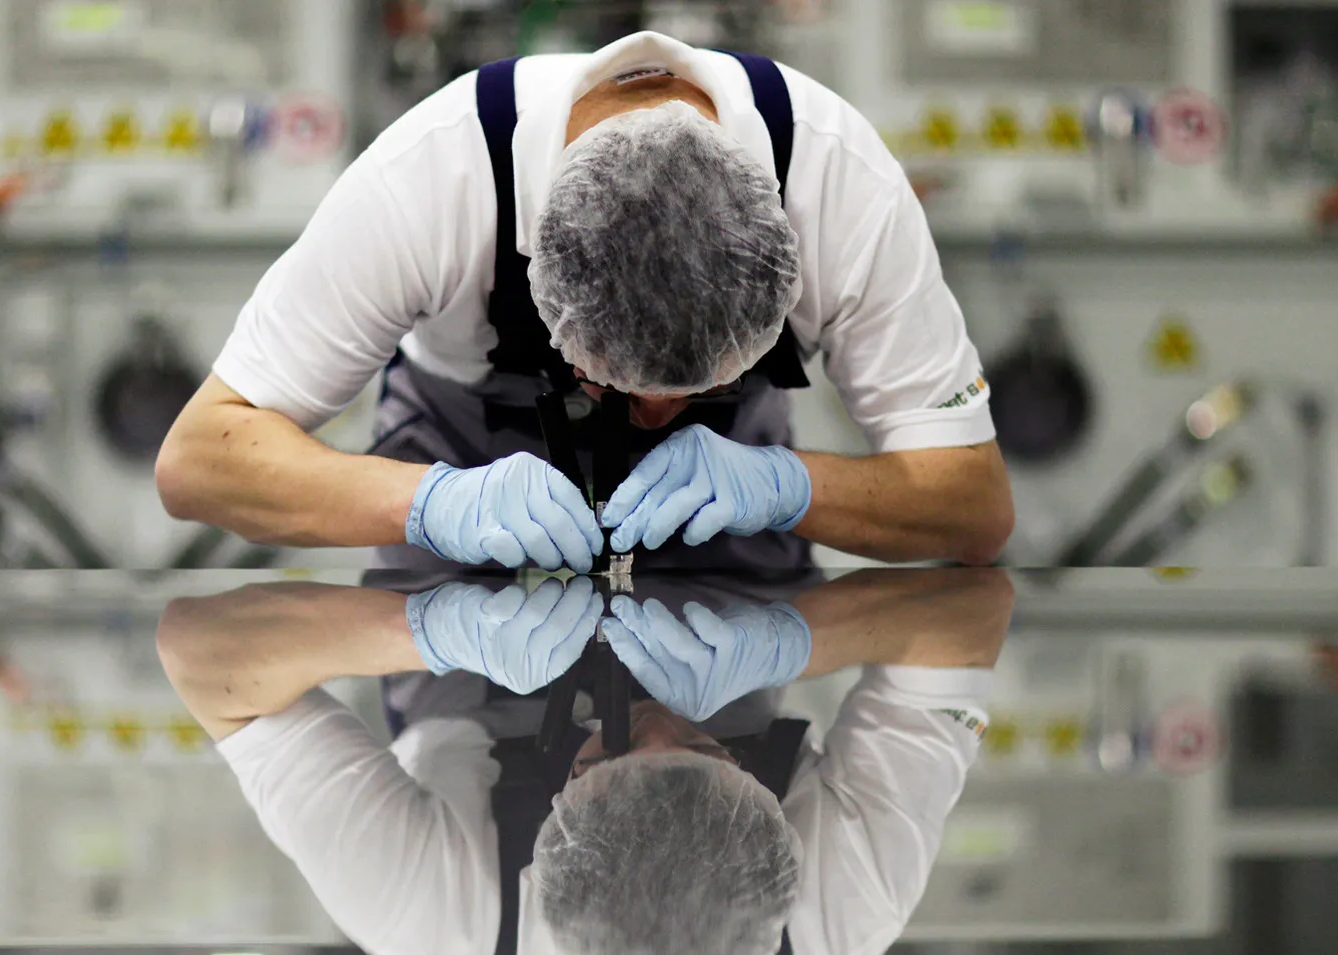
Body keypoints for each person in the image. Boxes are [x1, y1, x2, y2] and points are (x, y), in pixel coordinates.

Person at [154, 31, 1013, 573]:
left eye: (696, 387)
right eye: (616, 382)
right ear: (537, 266)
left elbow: (973, 505)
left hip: (734, 535)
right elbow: (200, 458)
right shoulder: (428, 179)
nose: (648, 425)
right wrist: (431, 504)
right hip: (458, 471)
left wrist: (783, 486)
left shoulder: (842, 186)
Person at [155, 568, 1014, 954]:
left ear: (565, 790)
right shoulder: (845, 905)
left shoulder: (432, 919)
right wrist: (788, 642)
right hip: (729, 566)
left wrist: (426, 628)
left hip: (462, 572)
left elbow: (202, 654)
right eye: (714, 749)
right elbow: (972, 611)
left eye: (618, 746)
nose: (658, 715)